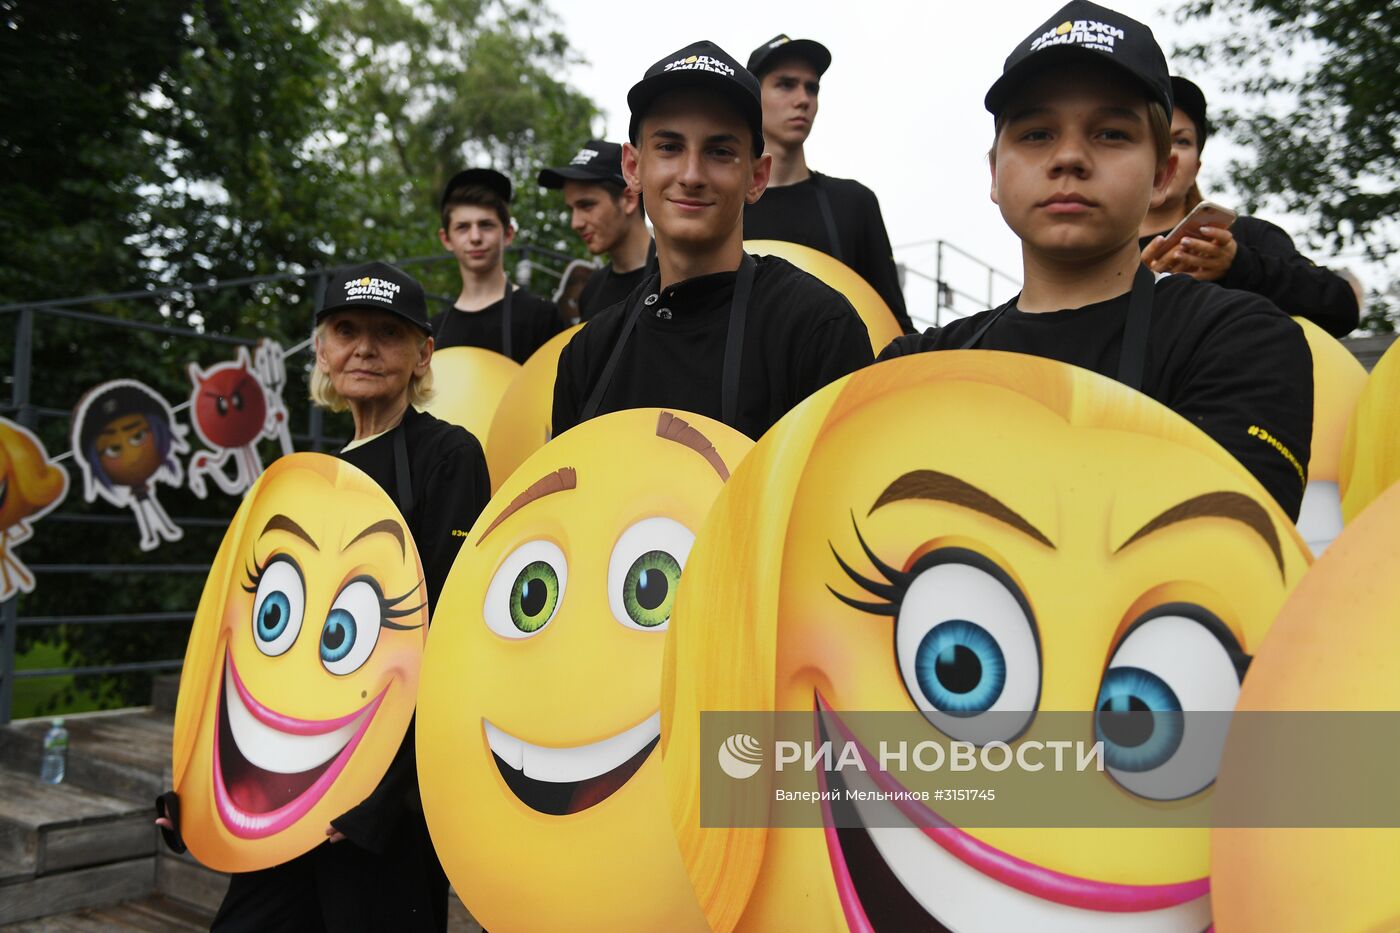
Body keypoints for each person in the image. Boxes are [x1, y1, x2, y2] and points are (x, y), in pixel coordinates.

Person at [879, 0, 1313, 521]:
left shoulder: (1242, 341)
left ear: (1162, 174)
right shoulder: (914, 368)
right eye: (1037, 133)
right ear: (994, 174)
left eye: (1111, 134)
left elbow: (1227, 556)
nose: (1069, 158)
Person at [161, 261, 491, 932]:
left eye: (388, 332)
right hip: (283, 786)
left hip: (378, 809)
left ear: (423, 352)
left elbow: (453, 641)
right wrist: (198, 779)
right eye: (346, 329)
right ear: (320, 347)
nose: (365, 348)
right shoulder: (305, 481)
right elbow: (246, 647)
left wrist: (383, 799)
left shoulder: (447, 456)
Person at [551, 40, 874, 442]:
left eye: (719, 151)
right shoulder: (587, 356)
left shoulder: (816, 329)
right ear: (633, 168)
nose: (691, 174)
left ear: (757, 178)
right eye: (669, 147)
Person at [1139, 76, 1359, 337]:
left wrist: (1238, 266)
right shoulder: (1090, 249)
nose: (1169, 154)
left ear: (1197, 166)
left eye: (1182, 141)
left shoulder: (1246, 236)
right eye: (1156, 139)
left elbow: (1341, 306)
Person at [742, 34, 914, 333]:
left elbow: (892, 323)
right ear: (753, 98)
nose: (803, 99)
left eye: (812, 88)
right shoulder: (724, 205)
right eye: (786, 84)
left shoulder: (853, 203)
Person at [430, 168, 563, 363]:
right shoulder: (434, 330)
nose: (475, 237)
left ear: (508, 234)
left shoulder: (541, 317)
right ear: (446, 239)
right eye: (463, 227)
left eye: (486, 225)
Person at [538, 140, 655, 321]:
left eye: (586, 205)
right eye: (571, 209)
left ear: (629, 200)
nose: (575, 223)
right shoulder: (592, 289)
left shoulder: (675, 278)